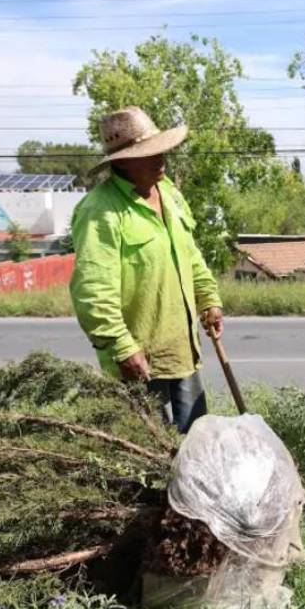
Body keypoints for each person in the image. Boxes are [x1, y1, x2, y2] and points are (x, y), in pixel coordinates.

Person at [69, 106, 224, 434]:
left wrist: (208, 299)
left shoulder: (169, 193)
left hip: (182, 352)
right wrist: (124, 348)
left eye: (160, 149)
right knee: (151, 454)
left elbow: (190, 254)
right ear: (122, 162)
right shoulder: (100, 211)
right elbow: (92, 292)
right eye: (149, 153)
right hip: (139, 363)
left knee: (194, 444)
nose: (161, 158)